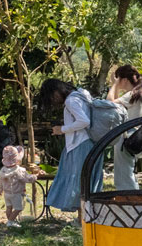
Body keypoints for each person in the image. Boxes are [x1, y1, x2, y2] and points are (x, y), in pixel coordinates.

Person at [40, 78, 102, 220]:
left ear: (56, 91)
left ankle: (83, 218)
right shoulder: (82, 95)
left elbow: (84, 121)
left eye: (51, 96)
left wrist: (61, 129)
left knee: (79, 181)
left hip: (80, 144)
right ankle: (85, 217)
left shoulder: (71, 101)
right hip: (89, 143)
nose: (53, 100)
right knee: (86, 181)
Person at [107, 64, 142, 191]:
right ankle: (130, 197)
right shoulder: (136, 94)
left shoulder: (131, 95)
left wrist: (114, 85)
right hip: (133, 137)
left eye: (119, 79)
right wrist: (116, 85)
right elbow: (117, 106)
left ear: (124, 80)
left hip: (127, 137)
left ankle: (128, 199)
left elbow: (109, 103)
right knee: (127, 170)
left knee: (124, 172)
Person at [0, 145, 40, 228]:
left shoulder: (3, 170)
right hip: (16, 193)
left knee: (9, 208)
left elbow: (1, 181)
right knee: (18, 208)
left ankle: (10, 221)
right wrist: (36, 175)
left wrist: (1, 189)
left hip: (7, 193)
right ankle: (11, 221)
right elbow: (27, 179)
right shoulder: (19, 170)